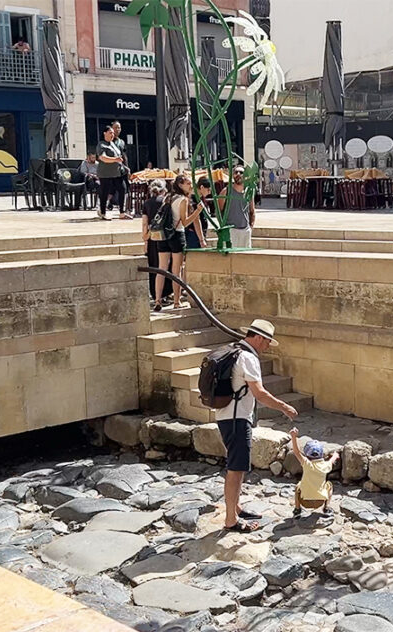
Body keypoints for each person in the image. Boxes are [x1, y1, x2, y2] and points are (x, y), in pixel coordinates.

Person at [216, 319, 298, 532]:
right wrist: (284, 407)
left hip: (226, 416)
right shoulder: (248, 358)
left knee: (237, 465)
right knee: (235, 469)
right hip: (237, 419)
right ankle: (230, 520)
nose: (268, 346)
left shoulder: (233, 351)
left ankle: (236, 508)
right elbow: (259, 393)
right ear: (259, 338)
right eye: (268, 341)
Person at [152, 174, 206, 311]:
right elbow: (185, 221)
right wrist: (198, 211)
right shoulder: (183, 200)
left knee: (162, 268)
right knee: (177, 270)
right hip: (176, 235)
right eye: (188, 183)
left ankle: (157, 300)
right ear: (181, 185)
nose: (190, 186)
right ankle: (176, 301)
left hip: (163, 235)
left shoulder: (167, 197)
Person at [289, 427, 338, 517]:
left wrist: (293, 437)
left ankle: (297, 509)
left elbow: (296, 452)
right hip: (319, 502)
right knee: (329, 485)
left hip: (305, 502)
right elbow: (332, 460)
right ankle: (326, 508)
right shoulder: (325, 465)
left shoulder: (307, 464)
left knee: (298, 486)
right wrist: (335, 456)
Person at [142, 179, 172, 304]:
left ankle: (155, 294)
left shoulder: (147, 203)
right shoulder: (166, 203)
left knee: (154, 265)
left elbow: (145, 223)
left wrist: (145, 238)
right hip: (164, 237)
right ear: (164, 190)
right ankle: (166, 293)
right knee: (165, 265)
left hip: (152, 237)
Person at [218, 165, 255, 248]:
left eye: (241, 172)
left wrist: (250, 227)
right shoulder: (226, 191)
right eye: (236, 172)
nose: (238, 174)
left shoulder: (248, 192)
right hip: (231, 230)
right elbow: (219, 210)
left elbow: (252, 211)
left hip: (245, 230)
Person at [96, 126, 125, 221]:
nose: (112, 134)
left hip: (116, 173)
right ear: (104, 133)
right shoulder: (101, 145)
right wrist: (115, 159)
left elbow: (119, 156)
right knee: (105, 193)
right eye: (110, 132)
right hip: (105, 173)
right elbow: (102, 158)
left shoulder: (113, 144)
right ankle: (103, 212)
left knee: (122, 189)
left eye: (113, 133)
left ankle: (122, 212)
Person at [110, 120, 133, 219]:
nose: (118, 129)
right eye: (116, 127)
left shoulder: (121, 142)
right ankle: (102, 206)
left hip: (121, 170)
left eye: (119, 127)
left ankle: (123, 210)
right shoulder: (107, 142)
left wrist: (127, 168)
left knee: (124, 189)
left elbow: (124, 156)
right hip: (110, 170)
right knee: (110, 190)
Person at [185, 177, 211, 250]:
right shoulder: (193, 199)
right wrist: (201, 240)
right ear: (202, 187)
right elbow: (196, 219)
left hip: (198, 233)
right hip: (194, 234)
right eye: (208, 189)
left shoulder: (200, 198)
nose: (209, 192)